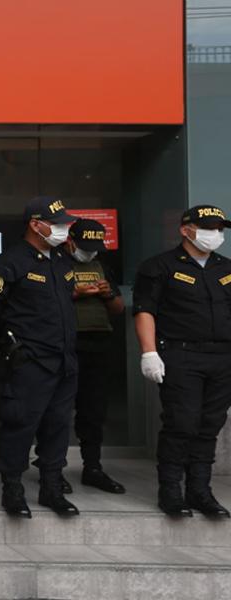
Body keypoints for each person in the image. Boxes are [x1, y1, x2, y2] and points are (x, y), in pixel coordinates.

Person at [0, 197, 82, 518]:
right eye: (57, 223)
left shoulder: (62, 261)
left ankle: (52, 487)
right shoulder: (9, 263)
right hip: (29, 361)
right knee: (19, 424)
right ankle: (13, 489)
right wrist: (12, 345)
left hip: (63, 360)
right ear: (35, 224)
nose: (64, 229)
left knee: (58, 426)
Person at [133, 204, 231, 518]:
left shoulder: (226, 268)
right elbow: (145, 310)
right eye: (208, 227)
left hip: (222, 357)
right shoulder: (159, 267)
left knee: (209, 425)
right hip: (181, 355)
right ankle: (171, 491)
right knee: (181, 423)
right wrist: (149, 352)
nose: (214, 234)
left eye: (219, 228)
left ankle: (200, 491)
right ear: (185, 229)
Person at [64, 219, 126, 494]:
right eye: (85, 246)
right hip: (66, 343)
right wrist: (74, 294)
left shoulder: (103, 266)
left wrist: (108, 293)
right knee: (57, 409)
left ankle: (93, 467)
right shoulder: (58, 263)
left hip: (98, 343)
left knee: (94, 410)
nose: (89, 252)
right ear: (70, 241)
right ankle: (50, 467)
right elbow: (45, 302)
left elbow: (118, 308)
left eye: (94, 247)